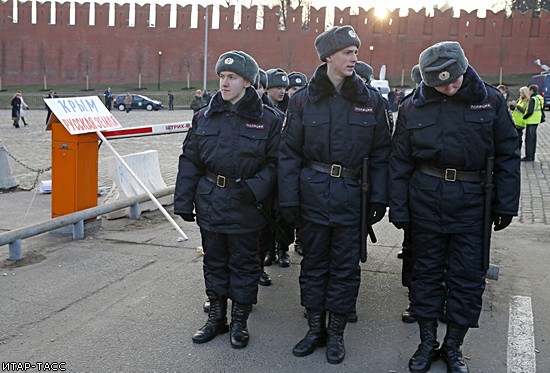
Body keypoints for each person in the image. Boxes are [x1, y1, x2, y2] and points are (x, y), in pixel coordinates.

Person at [389, 41, 520, 373]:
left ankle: (453, 347)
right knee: (425, 274)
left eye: (454, 80)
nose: (449, 87)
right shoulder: (412, 107)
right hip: (425, 201)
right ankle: (426, 342)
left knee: (467, 278)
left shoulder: (490, 101)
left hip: (473, 203)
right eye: (440, 83)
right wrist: (398, 207)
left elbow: (507, 154)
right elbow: (400, 161)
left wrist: (506, 203)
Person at [278, 25, 391, 364]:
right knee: (312, 265)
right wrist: (289, 199)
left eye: (356, 51)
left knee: (344, 269)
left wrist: (378, 199)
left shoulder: (371, 102)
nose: (355, 57)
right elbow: (288, 154)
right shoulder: (303, 100)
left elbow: (383, 153)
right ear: (328, 56)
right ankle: (315, 329)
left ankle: (337, 334)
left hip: (352, 197)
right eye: (347, 52)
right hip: (311, 195)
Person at [174, 50, 283, 349]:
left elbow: (277, 165)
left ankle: (240, 322)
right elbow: (190, 160)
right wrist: (183, 201)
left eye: (231, 78)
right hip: (210, 200)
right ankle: (217, 319)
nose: (224, 83)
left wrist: (255, 188)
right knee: (214, 261)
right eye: (222, 77)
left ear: (247, 82)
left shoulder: (269, 120)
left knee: (245, 264)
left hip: (247, 204)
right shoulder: (204, 116)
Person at [522, 84, 545, 161]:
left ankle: (529, 156)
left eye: (529, 90)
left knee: (529, 140)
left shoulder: (533, 99)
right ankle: (532, 155)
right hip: (537, 120)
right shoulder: (540, 98)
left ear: (532, 90)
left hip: (531, 120)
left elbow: (530, 111)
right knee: (533, 139)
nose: (528, 92)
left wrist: (524, 117)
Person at [509, 86, 529, 151]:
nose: (520, 94)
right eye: (520, 92)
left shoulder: (528, 101)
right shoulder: (520, 99)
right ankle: (516, 150)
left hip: (520, 122)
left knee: (519, 137)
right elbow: (513, 109)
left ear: (525, 93)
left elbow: (524, 111)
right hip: (515, 120)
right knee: (515, 136)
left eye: (522, 93)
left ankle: (518, 150)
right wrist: (511, 105)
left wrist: (517, 106)